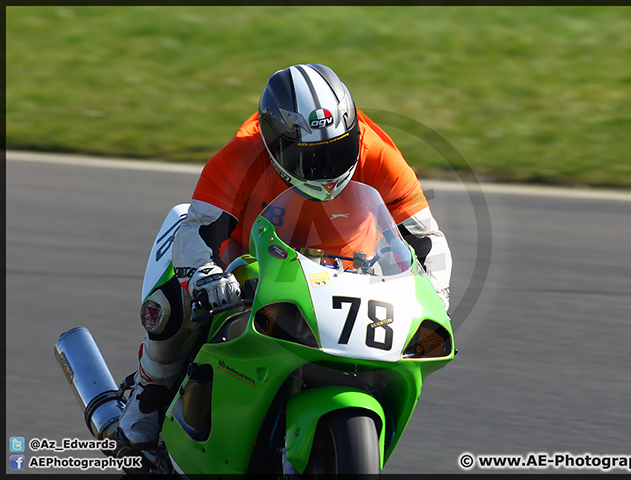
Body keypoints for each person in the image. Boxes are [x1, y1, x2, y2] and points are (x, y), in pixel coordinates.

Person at [118, 64, 453, 447]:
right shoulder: (244, 152)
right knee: (175, 301)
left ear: (352, 132)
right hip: (253, 262)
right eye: (309, 157)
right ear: (273, 143)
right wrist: (206, 275)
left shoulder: (377, 153)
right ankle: (150, 392)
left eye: (337, 149)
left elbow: (427, 239)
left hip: (351, 270)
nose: (326, 171)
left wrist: (436, 295)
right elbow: (198, 228)